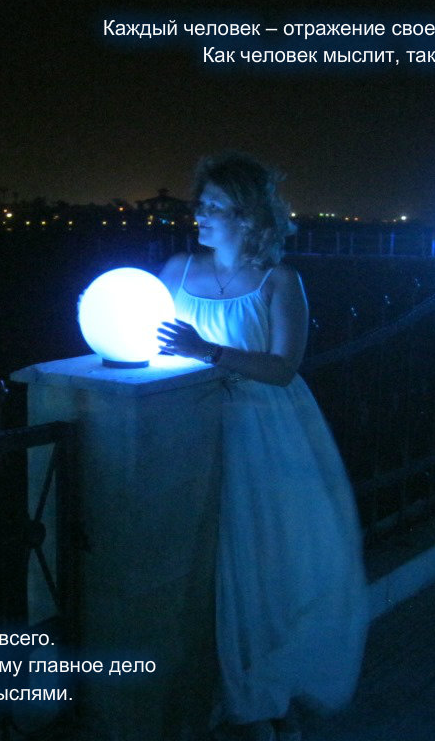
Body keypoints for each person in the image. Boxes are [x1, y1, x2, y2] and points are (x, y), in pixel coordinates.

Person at [157, 153, 368, 741]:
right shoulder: (175, 270)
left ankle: (262, 695)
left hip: (264, 435)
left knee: (262, 564)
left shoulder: (280, 282)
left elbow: (282, 368)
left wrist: (208, 351)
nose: (199, 214)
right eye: (200, 203)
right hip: (190, 429)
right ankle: (227, 694)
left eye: (214, 206)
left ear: (248, 217)